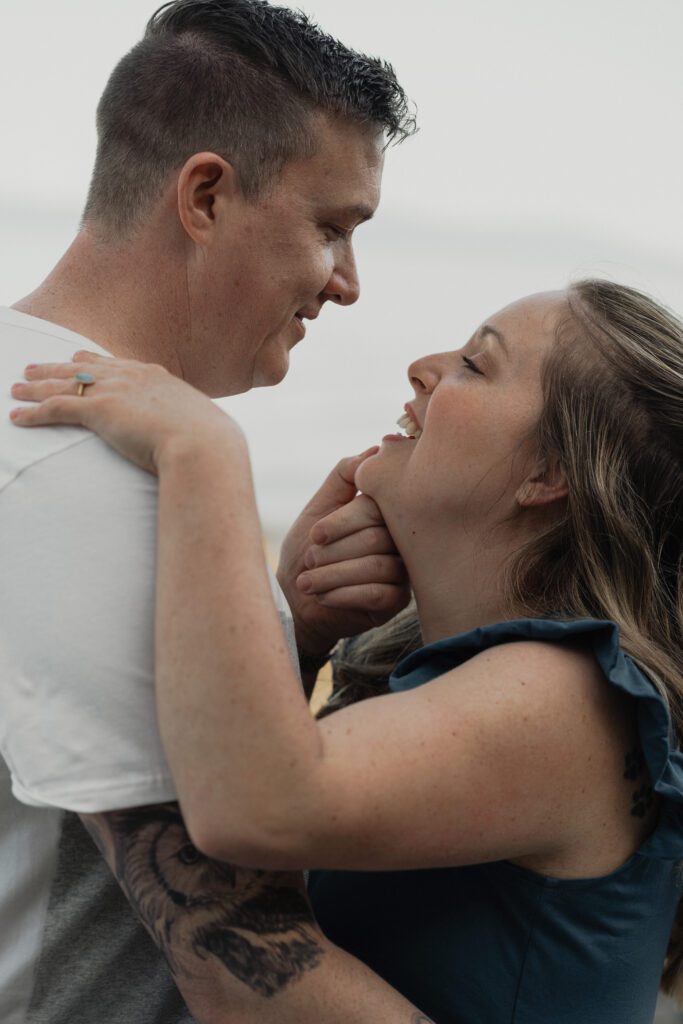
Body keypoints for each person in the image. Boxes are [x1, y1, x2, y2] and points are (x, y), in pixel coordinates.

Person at [11, 278, 683, 1023]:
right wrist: (296, 631)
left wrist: (203, 457)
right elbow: (271, 848)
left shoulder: (567, 698)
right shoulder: (447, 675)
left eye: (473, 363)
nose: (421, 367)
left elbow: (255, 810)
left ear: (546, 476)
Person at [0, 2, 428, 1022]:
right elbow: (240, 967)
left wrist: (283, 622)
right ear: (204, 196)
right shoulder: (93, 477)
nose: (348, 286)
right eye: (330, 227)